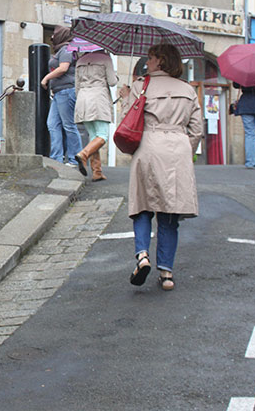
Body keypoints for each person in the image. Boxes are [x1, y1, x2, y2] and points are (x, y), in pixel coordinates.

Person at [118, 43, 202, 292]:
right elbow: (196, 129)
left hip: (149, 147)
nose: (147, 61)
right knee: (169, 212)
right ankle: (166, 273)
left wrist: (125, 98)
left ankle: (142, 256)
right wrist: (184, 146)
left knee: (143, 205)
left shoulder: (141, 86)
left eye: (152, 58)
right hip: (177, 149)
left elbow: (127, 121)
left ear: (162, 61)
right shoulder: (188, 90)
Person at [73, 49, 118, 181]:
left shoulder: (80, 61)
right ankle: (84, 154)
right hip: (99, 98)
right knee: (103, 135)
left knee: (93, 136)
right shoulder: (105, 59)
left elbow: (76, 86)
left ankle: (97, 172)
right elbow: (112, 82)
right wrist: (116, 76)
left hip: (82, 98)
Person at [40, 25, 82, 167]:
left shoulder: (67, 49)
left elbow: (63, 68)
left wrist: (46, 78)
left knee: (69, 125)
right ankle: (56, 158)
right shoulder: (62, 49)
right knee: (52, 124)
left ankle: (74, 159)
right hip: (59, 92)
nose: (52, 37)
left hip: (66, 91)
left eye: (55, 34)